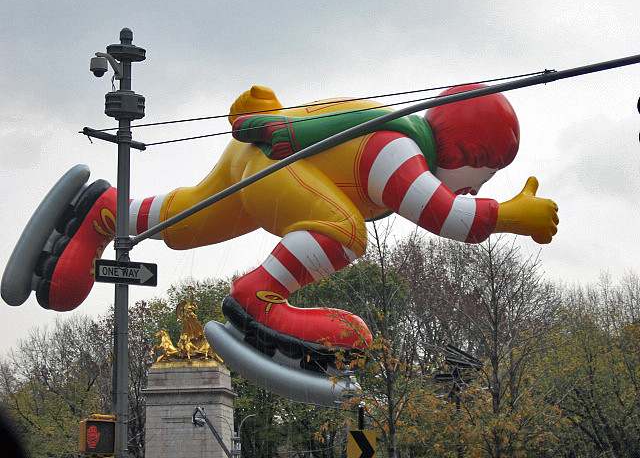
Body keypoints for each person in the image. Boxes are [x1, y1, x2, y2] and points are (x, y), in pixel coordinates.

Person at [2, 84, 558, 368]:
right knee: (344, 231)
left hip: (259, 161)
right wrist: (511, 215)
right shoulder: (400, 153)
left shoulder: (398, 137)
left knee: (189, 219)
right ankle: (258, 299)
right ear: (468, 152)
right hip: (277, 166)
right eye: (483, 176)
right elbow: (445, 216)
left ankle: (106, 212)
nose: (475, 189)